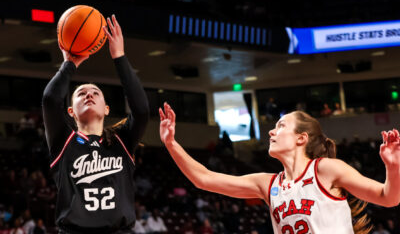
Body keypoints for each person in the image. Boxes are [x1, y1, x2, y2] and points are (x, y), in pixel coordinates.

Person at [159, 102, 400, 234]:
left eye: (281, 126)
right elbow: (204, 179)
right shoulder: (268, 184)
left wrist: (394, 167)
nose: (272, 131)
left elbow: (388, 198)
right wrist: (170, 143)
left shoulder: (327, 169)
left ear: (301, 138)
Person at [42, 15, 149, 233]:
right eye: (81, 93)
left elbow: (142, 111)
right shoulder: (64, 140)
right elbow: (50, 100)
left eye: (96, 93)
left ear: (106, 108)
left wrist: (119, 57)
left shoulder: (122, 140)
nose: (89, 95)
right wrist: (69, 64)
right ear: (70, 112)